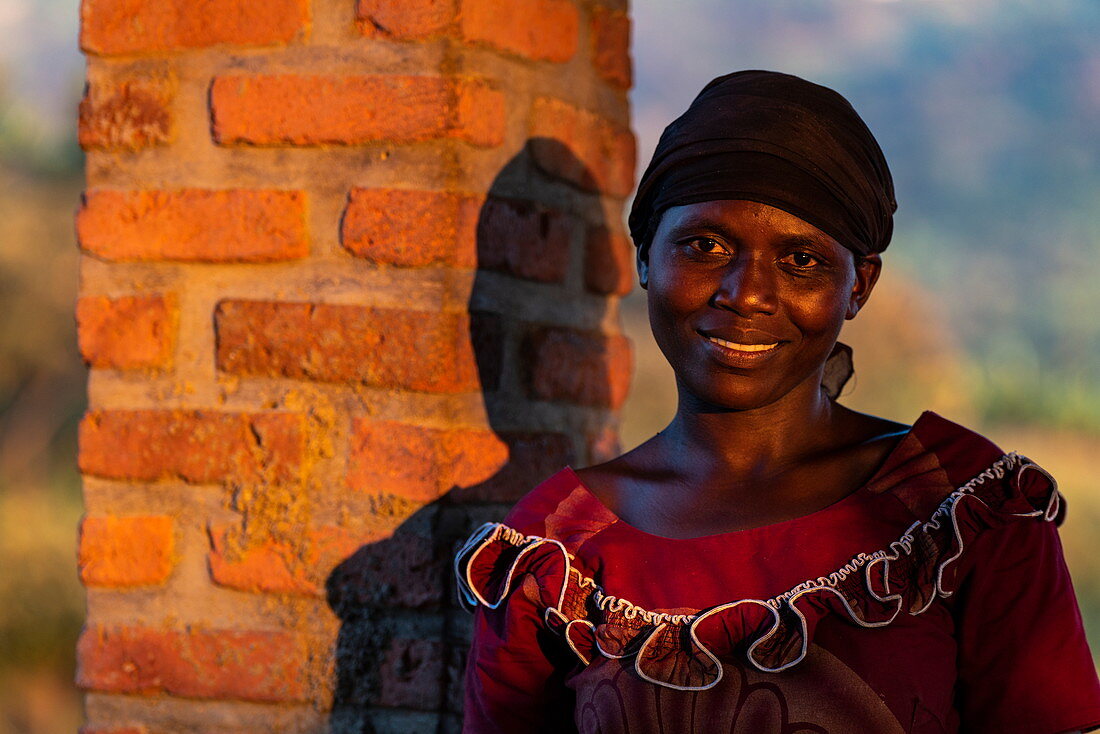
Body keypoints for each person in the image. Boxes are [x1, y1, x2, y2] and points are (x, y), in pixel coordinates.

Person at [454, 70, 1100, 733]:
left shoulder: (962, 512)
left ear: (859, 286)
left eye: (802, 261)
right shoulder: (557, 551)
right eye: (706, 245)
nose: (747, 293)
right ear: (647, 257)